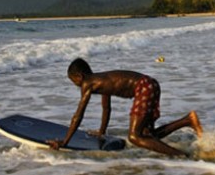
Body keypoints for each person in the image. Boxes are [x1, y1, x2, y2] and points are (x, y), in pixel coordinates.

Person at [46, 58, 202, 156]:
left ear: (80, 76)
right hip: (150, 84)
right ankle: (188, 120)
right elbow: (106, 109)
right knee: (149, 135)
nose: (76, 85)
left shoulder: (88, 83)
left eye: (74, 81)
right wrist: (101, 132)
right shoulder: (101, 81)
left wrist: (64, 142)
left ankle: (181, 155)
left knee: (134, 137)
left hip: (144, 87)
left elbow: (78, 115)